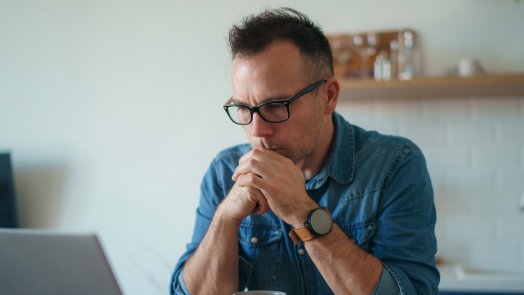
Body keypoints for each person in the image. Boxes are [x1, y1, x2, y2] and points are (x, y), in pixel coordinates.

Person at [171, 8, 439, 295]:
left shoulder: (395, 165)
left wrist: (303, 211)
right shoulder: (224, 172)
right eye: (244, 109)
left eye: (275, 106)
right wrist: (225, 219)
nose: (257, 130)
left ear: (328, 96)